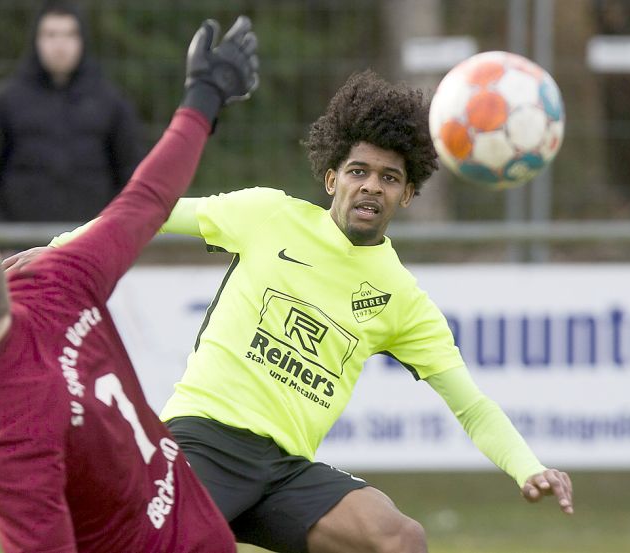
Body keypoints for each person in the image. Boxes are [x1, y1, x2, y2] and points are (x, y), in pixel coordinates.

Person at [43, 70, 574, 553]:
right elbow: (147, 213)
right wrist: (55, 254)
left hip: (285, 472)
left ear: (407, 195)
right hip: (203, 440)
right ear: (332, 179)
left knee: (399, 540)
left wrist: (528, 467)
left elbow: (471, 406)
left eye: (390, 178)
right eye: (358, 171)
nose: (371, 185)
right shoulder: (269, 215)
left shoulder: (403, 299)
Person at [0, 16, 258, 552]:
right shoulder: (59, 278)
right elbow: (146, 198)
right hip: (200, 531)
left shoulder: (7, 437)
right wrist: (202, 97)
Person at [0, 0, 145, 223]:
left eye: (69, 34)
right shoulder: (3, 103)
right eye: (50, 34)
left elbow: (131, 175)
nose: (60, 44)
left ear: (83, 40)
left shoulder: (112, 104)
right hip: (21, 248)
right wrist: (1, 240)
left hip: (91, 244)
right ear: (36, 40)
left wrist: (115, 234)